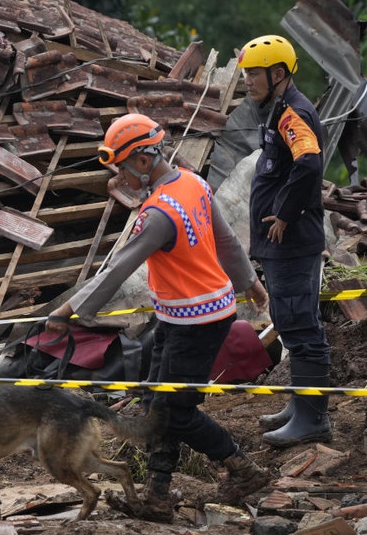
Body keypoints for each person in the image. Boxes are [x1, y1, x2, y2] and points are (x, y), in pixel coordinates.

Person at [44, 114, 271, 521]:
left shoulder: (158, 215)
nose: (118, 177)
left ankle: (243, 468)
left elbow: (116, 269)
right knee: (155, 400)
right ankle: (157, 495)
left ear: (144, 161)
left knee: (175, 411)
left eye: (121, 168)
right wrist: (250, 283)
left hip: (196, 322)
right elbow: (226, 241)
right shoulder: (192, 182)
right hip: (189, 314)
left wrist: (66, 312)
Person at [237, 35, 332, 448]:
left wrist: (287, 213)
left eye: (253, 74)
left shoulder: (294, 114)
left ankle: (312, 420)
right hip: (283, 247)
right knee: (293, 324)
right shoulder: (279, 109)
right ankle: (300, 407)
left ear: (278, 74)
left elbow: (309, 162)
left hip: (293, 243)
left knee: (299, 324)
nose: (246, 82)